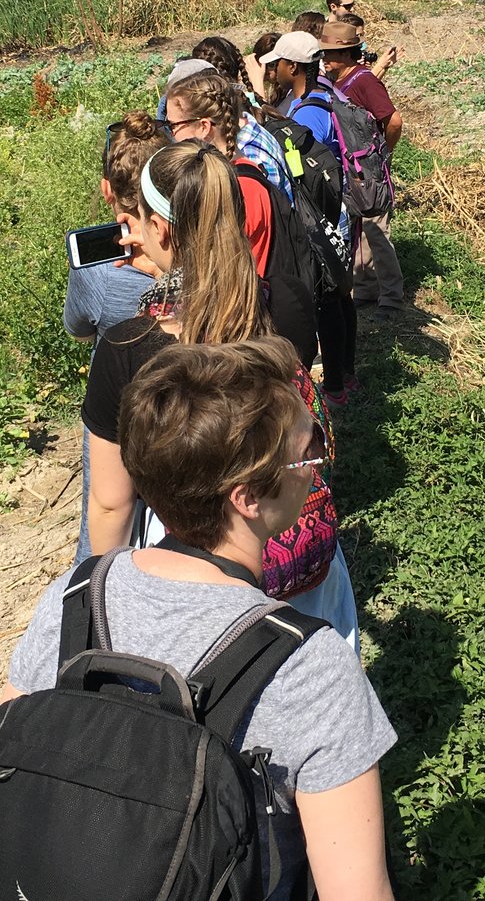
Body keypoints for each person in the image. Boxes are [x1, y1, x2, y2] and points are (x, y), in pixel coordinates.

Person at [5, 338, 396, 901]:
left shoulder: (75, 598)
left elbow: (12, 763)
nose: (315, 470)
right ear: (248, 497)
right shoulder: (310, 668)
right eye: (306, 453)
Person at [81, 142, 357, 643]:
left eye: (139, 220)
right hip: (305, 570)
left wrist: (104, 612)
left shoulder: (129, 350)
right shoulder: (286, 302)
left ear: (160, 229)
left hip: (204, 585)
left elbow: (110, 507)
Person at [63, 112, 168, 561]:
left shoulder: (100, 274)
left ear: (107, 189)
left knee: (106, 513)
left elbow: (78, 329)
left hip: (123, 416)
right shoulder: (208, 247)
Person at [166, 70, 317, 365]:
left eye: (173, 126)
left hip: (245, 337)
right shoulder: (238, 172)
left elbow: (221, 276)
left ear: (204, 127)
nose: (168, 136)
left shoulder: (238, 191)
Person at [261, 30, 358, 401]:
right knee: (340, 293)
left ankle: (338, 381)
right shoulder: (326, 95)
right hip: (335, 206)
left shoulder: (307, 115)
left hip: (324, 212)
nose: (275, 72)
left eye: (278, 65)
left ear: (292, 66)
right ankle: (345, 374)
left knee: (330, 298)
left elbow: (303, 175)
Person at [321, 25, 405, 313]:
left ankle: (392, 298)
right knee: (361, 226)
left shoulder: (364, 81)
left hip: (369, 166)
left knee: (377, 229)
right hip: (353, 166)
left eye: (329, 53)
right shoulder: (340, 80)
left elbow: (393, 121)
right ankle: (366, 290)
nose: (325, 58)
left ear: (346, 52)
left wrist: (384, 154)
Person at [167, 53, 293, 202]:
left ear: (204, 127)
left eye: (172, 125)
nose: (172, 134)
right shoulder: (245, 135)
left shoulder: (245, 177)